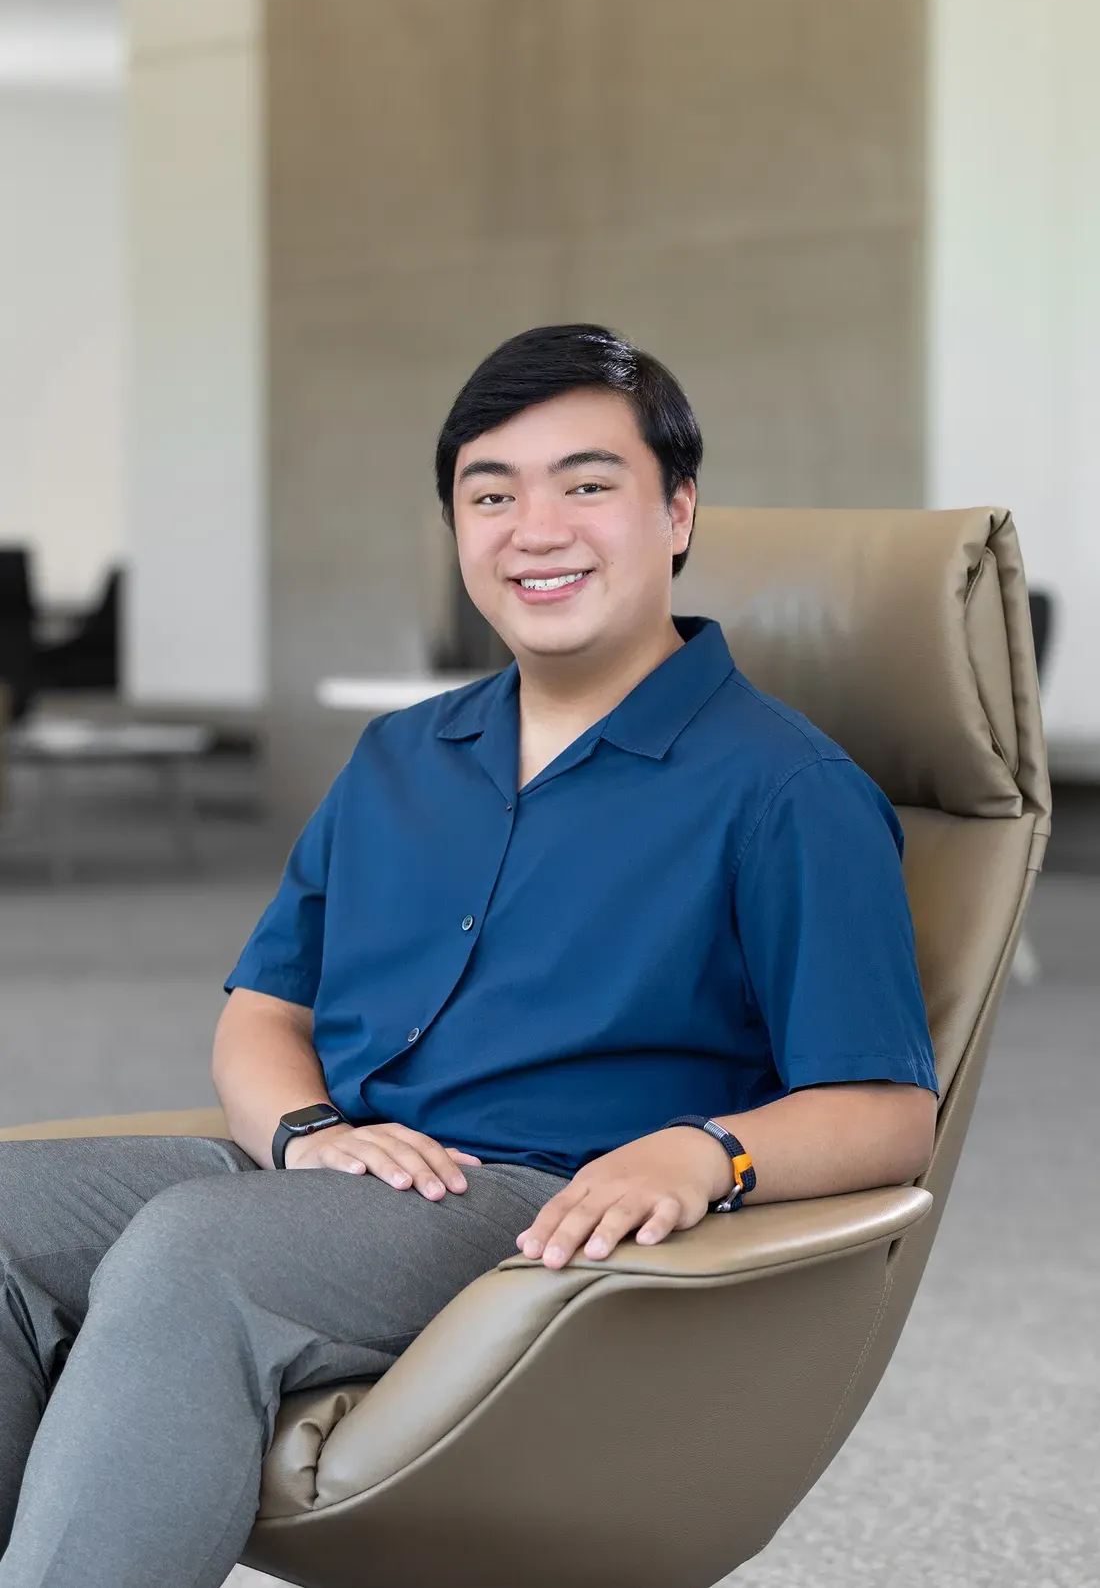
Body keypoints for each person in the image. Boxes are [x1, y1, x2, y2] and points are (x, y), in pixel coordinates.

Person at [0, 323, 939, 1587]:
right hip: (331, 1168)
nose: (532, 529)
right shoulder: (401, 756)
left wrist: (699, 1151)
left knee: (192, 1252)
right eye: (489, 494)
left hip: (533, 1204)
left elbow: (887, 1113)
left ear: (677, 511)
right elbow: (261, 1010)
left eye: (586, 485)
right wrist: (305, 1132)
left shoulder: (785, 790)